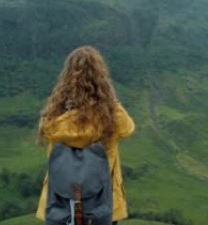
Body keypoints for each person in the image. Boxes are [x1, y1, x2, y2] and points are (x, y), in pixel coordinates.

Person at [35, 46, 135, 224]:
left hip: (60, 203)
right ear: (100, 78)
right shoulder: (110, 115)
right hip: (104, 203)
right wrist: (110, 99)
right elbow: (128, 128)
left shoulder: (53, 115)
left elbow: (45, 129)